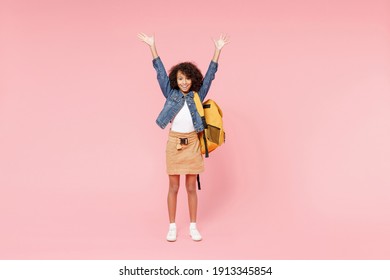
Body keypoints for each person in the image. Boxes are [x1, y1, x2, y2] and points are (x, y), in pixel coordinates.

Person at [138, 32, 229, 241]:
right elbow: (160, 73)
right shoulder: (171, 94)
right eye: (180, 78)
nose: (184, 82)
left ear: (193, 79)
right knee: (174, 186)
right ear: (175, 80)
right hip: (174, 144)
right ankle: (171, 226)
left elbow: (210, 76)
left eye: (187, 78)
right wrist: (152, 46)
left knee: (190, 187)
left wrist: (218, 50)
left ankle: (193, 226)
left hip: (193, 146)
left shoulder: (198, 95)